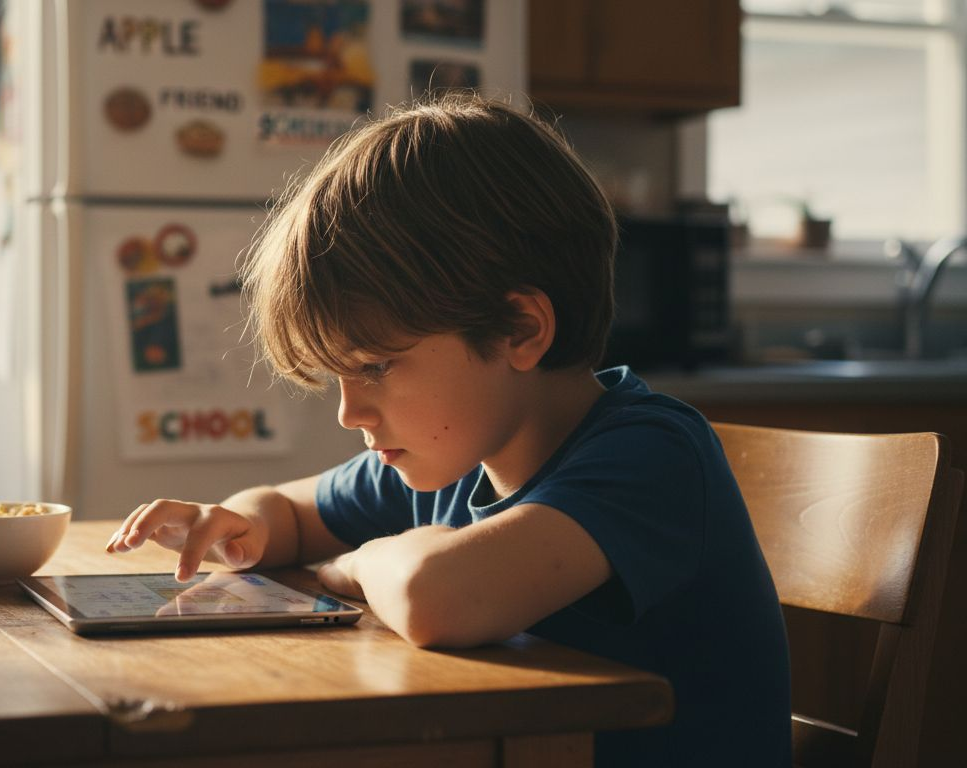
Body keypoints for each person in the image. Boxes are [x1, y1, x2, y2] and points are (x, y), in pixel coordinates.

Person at [105, 94, 791, 767]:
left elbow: (438, 598)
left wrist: (355, 564)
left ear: (520, 330)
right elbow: (285, 510)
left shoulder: (653, 457)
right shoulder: (453, 452)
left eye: (376, 365)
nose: (350, 413)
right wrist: (235, 523)